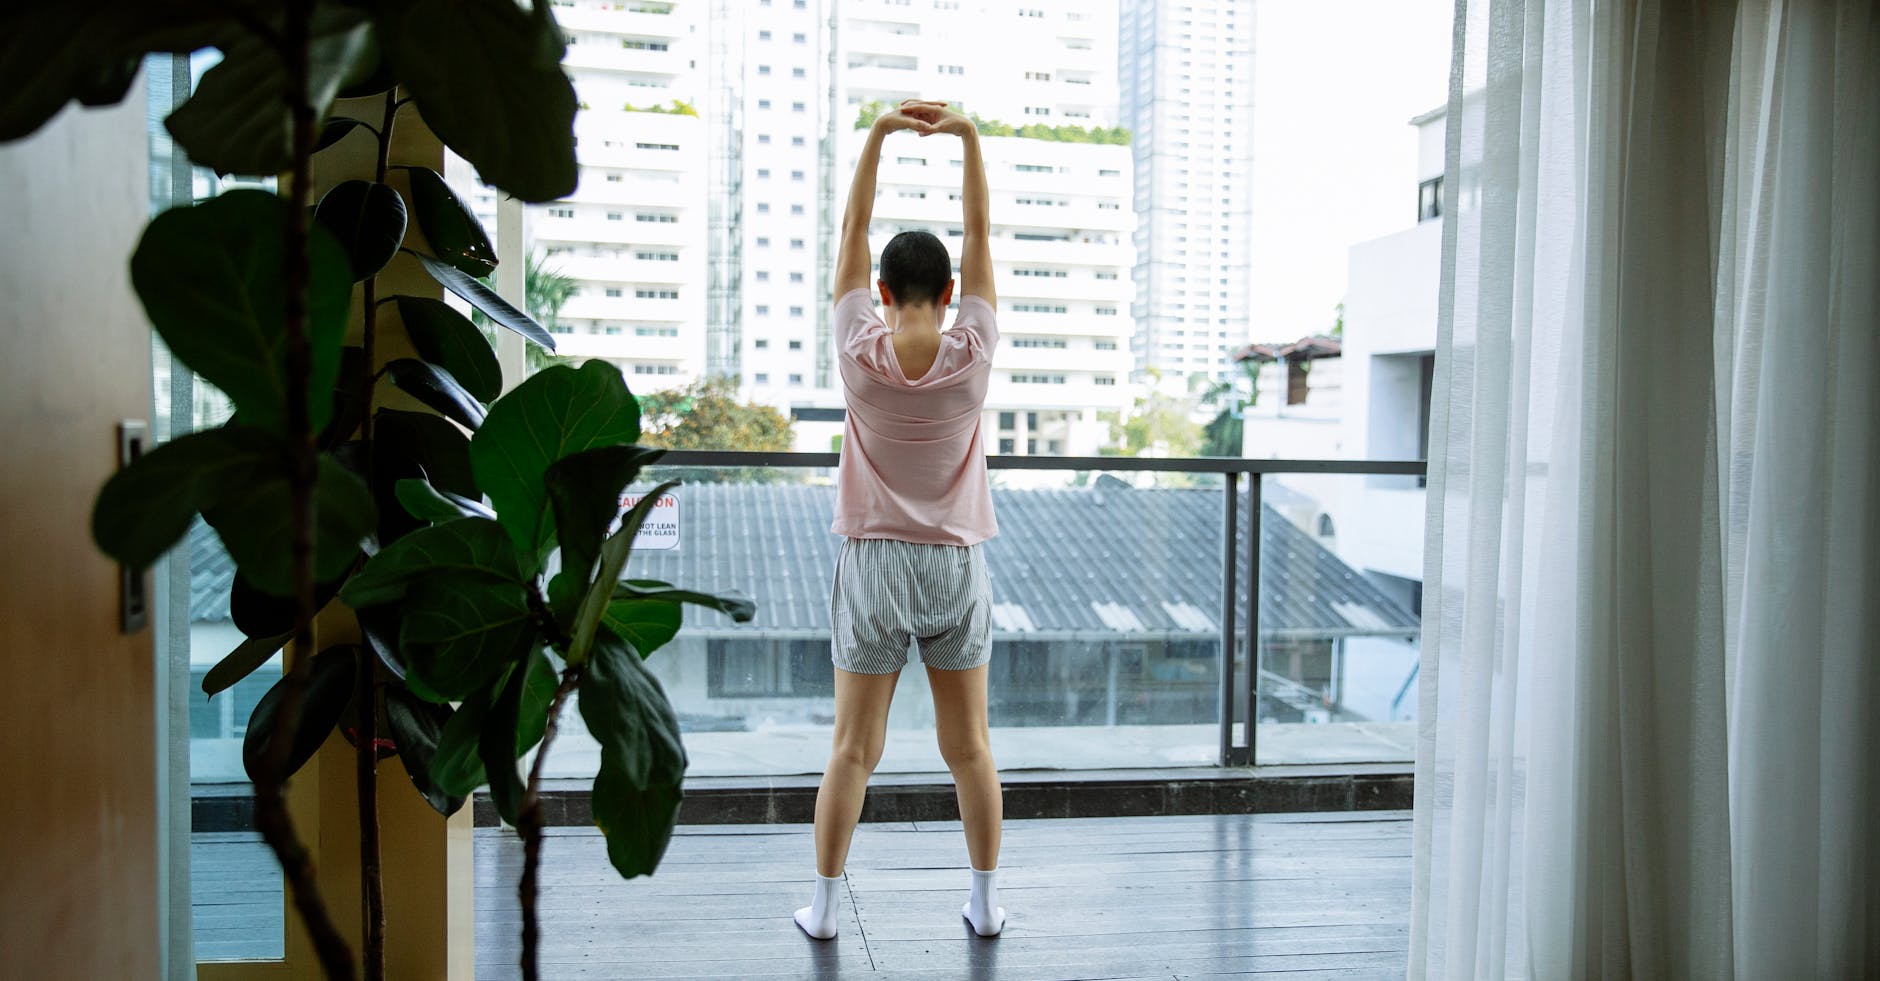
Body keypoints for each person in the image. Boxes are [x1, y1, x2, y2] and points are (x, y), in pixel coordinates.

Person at [793, 98, 1006, 941]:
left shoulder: (857, 347)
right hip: (956, 562)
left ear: (880, 293)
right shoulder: (973, 351)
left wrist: (879, 134)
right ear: (950, 294)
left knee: (852, 748)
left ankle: (823, 910)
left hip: (874, 562)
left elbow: (852, 225)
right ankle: (985, 908)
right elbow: (981, 231)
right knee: (971, 748)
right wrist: (968, 137)